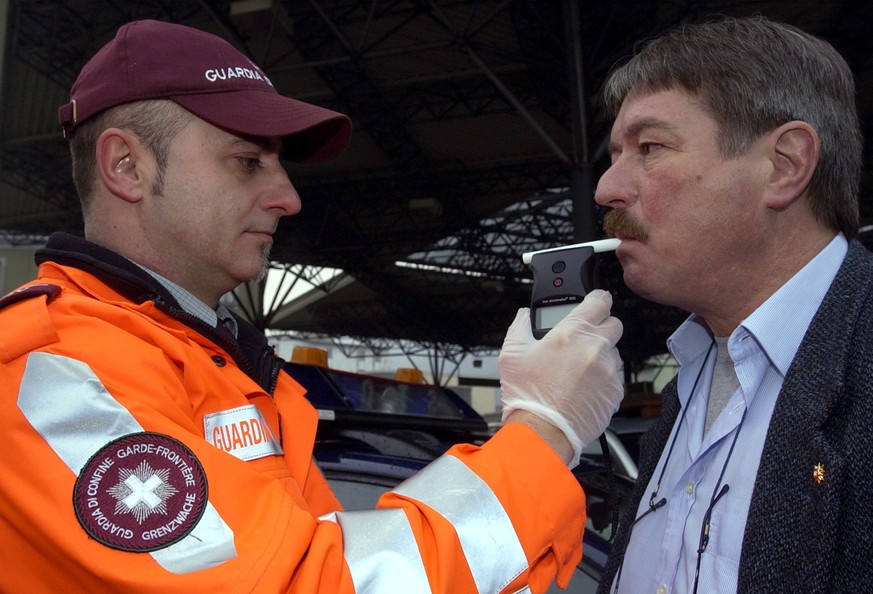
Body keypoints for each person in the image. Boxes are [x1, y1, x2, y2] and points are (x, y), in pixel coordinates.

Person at [0, 19, 625, 593]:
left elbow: (332, 556)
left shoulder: (211, 363)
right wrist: (544, 431)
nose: (288, 197)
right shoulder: (49, 369)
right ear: (125, 166)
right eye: (247, 161)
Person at [594, 15, 873, 594]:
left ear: (785, 165)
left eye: (649, 147)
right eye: (616, 152)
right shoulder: (693, 369)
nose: (607, 189)